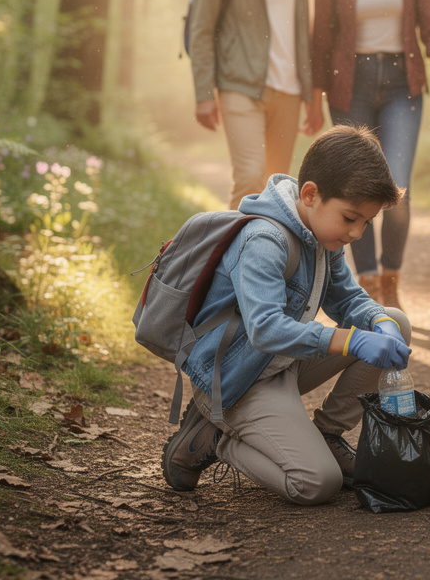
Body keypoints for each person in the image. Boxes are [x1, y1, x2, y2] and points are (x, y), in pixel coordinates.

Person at [160, 125, 411, 505]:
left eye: (366, 222)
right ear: (310, 194)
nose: (357, 233)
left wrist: (380, 323)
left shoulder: (321, 233)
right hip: (238, 380)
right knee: (316, 484)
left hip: (280, 364)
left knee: (396, 321)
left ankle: (327, 434)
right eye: (350, 218)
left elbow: (347, 299)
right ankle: (218, 437)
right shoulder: (265, 240)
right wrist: (350, 339)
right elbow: (265, 329)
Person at [310, 0, 430, 310]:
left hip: (400, 84)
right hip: (347, 84)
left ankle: (392, 279)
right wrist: (310, 103)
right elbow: (320, 45)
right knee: (354, 188)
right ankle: (369, 287)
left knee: (397, 187)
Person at [188, 0, 324, 209]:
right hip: (240, 86)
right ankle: (231, 259)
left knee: (275, 190)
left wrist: (310, 95)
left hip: (289, 91)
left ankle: (265, 258)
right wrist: (204, 93)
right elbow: (202, 29)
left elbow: (302, 33)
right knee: (250, 177)